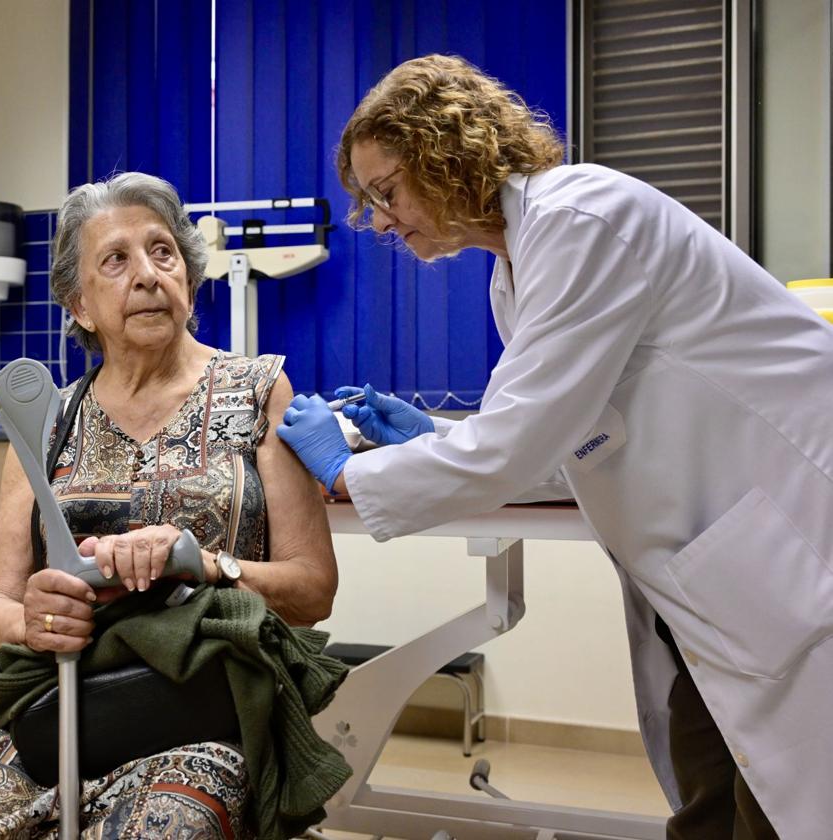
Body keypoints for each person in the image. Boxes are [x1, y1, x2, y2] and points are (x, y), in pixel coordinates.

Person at [277, 54, 833, 840]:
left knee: (769, 804)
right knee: (715, 797)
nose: (379, 221)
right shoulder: (515, 268)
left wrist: (348, 468)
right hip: (714, 572)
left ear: (445, 153)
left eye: (385, 191)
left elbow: (516, 443)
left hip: (784, 534)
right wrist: (430, 435)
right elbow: (562, 441)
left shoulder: (579, 219)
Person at [0, 172, 339, 839]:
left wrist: (200, 565)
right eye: (115, 260)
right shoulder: (46, 421)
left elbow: (313, 588)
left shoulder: (258, 389)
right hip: (62, 707)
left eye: (163, 252)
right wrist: (38, 618)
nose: (147, 275)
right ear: (79, 304)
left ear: (188, 275)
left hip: (201, 710)